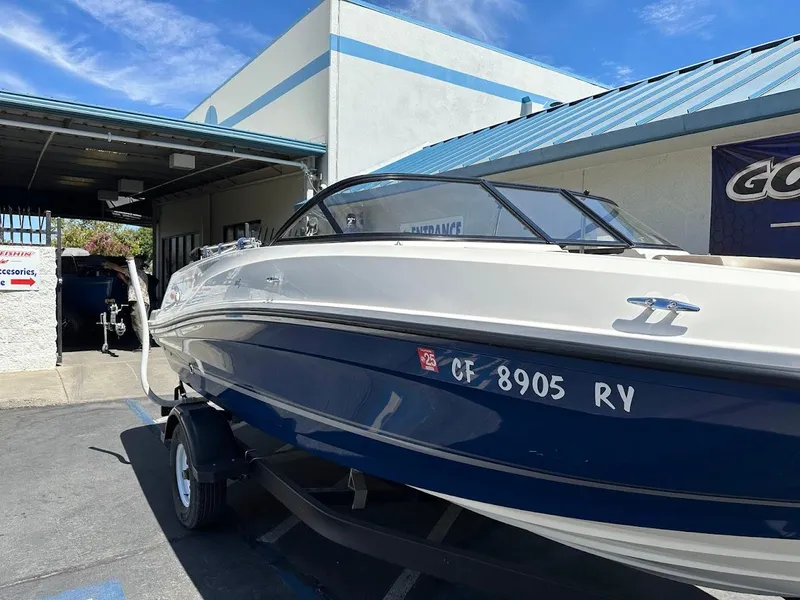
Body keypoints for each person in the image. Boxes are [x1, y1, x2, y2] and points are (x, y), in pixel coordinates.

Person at [104, 258, 150, 349]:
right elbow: (131, 285)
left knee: (137, 322)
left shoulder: (135, 273)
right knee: (143, 322)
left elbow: (117, 268)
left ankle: (145, 345)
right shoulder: (142, 275)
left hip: (137, 300)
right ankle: (146, 343)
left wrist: (108, 263)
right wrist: (122, 278)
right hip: (145, 300)